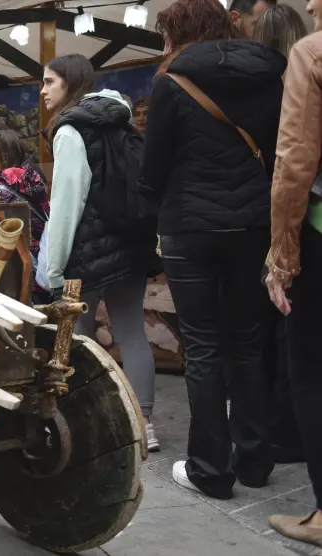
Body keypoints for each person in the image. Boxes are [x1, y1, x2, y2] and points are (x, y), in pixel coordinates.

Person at [143, 0, 286, 500]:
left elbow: (153, 168)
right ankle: (254, 459)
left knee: (203, 349)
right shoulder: (270, 73)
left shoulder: (170, 82)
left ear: (179, 33)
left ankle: (210, 468)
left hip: (189, 229)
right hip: (253, 224)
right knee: (249, 342)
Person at [41, 54, 160, 451]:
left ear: (70, 84)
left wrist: (53, 268)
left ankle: (90, 420)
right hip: (130, 242)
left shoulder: (70, 130)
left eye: (49, 82)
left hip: (88, 251)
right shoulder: (120, 118)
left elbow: (66, 203)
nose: (42, 91)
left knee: (80, 338)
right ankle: (145, 424)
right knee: (132, 333)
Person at [264, 0, 322, 544]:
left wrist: (281, 254)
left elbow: (296, 161)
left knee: (310, 369)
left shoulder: (312, 52)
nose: (309, 3)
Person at [253, 1, 308, 465]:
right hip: (308, 217)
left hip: (281, 219)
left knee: (281, 331)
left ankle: (284, 431)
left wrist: (280, 248)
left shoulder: (269, 86)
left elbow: (289, 166)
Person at [0, 128, 50, 292]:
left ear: (5, 156)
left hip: (19, 275)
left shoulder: (1, 193)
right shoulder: (25, 182)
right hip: (40, 265)